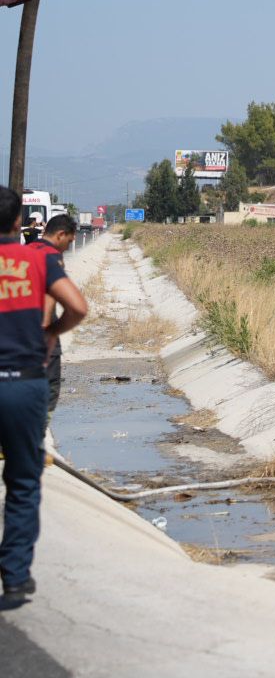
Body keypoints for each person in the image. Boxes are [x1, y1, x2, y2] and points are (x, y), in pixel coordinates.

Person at [0, 189, 87, 608]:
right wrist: (49, 334)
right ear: (19, 222)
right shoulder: (38, 259)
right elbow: (78, 307)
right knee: (21, 480)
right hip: (24, 383)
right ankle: (15, 576)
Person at [31, 215, 76, 417]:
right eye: (69, 241)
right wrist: (47, 327)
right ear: (61, 235)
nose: (68, 246)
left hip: (18, 322)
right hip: (41, 323)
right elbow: (50, 295)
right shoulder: (53, 256)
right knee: (49, 384)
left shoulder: (29, 249)